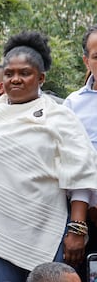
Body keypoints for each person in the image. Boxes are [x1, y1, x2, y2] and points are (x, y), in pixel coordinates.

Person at [0, 31, 97, 282]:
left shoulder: (60, 117)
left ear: (41, 77)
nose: (15, 79)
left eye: (25, 73)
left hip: (47, 231)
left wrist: (77, 228)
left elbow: (80, 175)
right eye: (9, 74)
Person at [63, 25, 97, 280]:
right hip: (90, 219)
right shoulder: (73, 105)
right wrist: (78, 225)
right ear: (87, 60)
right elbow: (74, 168)